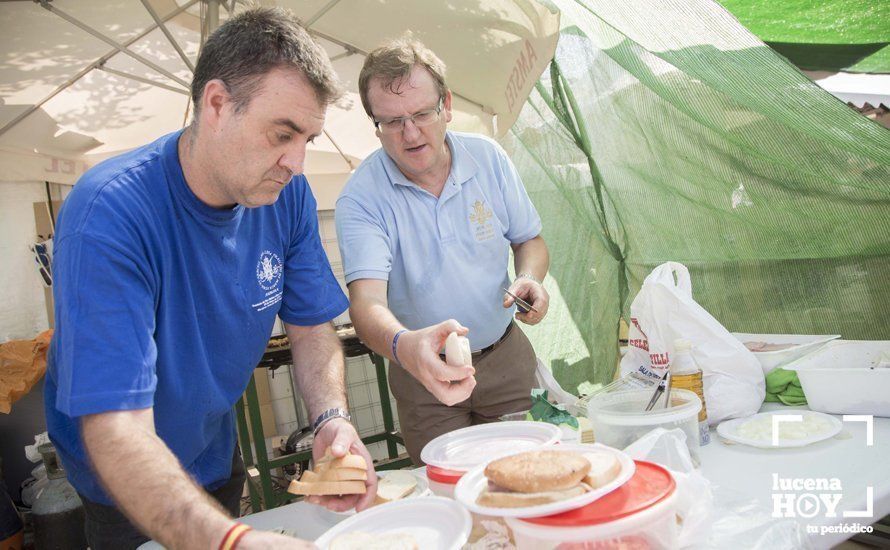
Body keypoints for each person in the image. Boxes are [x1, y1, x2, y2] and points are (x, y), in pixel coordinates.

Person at [44, 8, 375, 549]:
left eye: (308, 140)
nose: (295, 162)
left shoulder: (286, 194)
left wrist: (331, 420)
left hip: (213, 451)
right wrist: (231, 542)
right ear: (217, 104)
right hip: (123, 479)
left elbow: (313, 325)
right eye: (282, 134)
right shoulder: (109, 213)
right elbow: (115, 429)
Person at [335, 37, 551, 463]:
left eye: (421, 114)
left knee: (532, 478)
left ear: (446, 105)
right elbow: (366, 304)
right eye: (392, 122)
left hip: (505, 357)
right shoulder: (360, 199)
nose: (410, 133)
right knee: (447, 492)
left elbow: (530, 240)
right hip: (424, 378)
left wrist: (529, 279)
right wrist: (405, 347)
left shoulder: (488, 159)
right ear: (373, 124)